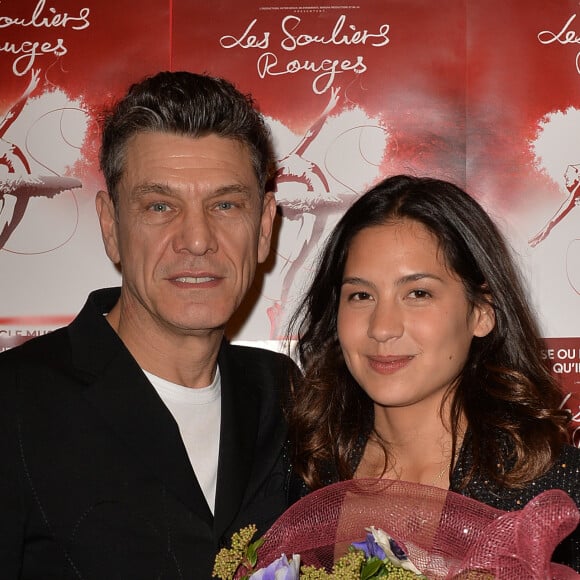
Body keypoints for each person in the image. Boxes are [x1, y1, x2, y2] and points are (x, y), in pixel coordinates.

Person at [0, 71, 295, 579]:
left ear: (265, 226)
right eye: (160, 206)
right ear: (111, 227)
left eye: (225, 205)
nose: (197, 240)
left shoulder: (284, 396)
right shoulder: (13, 404)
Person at [287, 174, 580, 570]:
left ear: (481, 312)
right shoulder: (302, 469)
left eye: (418, 293)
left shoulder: (552, 492)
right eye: (361, 295)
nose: (382, 327)